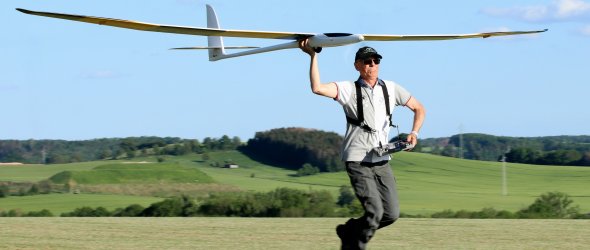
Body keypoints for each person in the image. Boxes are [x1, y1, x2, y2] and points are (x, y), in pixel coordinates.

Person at [299, 39, 425, 250]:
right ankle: (355, 245)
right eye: (367, 61)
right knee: (375, 212)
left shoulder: (391, 88)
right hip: (358, 160)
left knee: (391, 214)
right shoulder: (348, 89)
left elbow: (419, 108)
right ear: (357, 65)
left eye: (376, 61)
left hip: (382, 160)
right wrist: (313, 56)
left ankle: (349, 230)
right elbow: (317, 88)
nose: (372, 65)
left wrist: (414, 132)